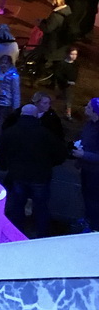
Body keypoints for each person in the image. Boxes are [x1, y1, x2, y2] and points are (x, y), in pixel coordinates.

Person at [0, 104, 65, 237]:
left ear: (21, 114)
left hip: (17, 175)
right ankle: (41, 235)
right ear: (36, 116)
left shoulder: (10, 132)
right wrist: (48, 165)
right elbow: (60, 155)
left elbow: (1, 153)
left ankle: (16, 234)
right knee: (41, 207)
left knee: (17, 206)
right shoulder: (45, 134)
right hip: (40, 177)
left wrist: (5, 166)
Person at [72, 98, 99, 232]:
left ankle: (94, 227)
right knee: (86, 197)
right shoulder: (90, 124)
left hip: (96, 172)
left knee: (94, 200)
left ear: (95, 112)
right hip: (86, 169)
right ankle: (89, 219)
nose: (85, 108)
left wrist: (83, 155)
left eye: (88, 107)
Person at [0, 54, 21, 131]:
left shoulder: (14, 76)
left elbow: (16, 92)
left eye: (6, 63)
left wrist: (16, 107)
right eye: (2, 62)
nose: (3, 65)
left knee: (0, 123)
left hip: (6, 104)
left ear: (10, 64)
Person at [53, 47, 79, 120]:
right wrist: (65, 81)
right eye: (72, 54)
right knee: (59, 98)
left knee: (68, 99)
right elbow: (58, 74)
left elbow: (75, 73)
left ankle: (68, 114)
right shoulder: (62, 64)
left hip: (70, 85)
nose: (74, 56)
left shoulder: (75, 64)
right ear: (68, 54)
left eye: (75, 54)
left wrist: (73, 81)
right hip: (61, 84)